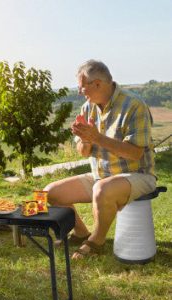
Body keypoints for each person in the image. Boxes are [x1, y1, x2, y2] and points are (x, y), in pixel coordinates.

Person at [44, 60, 156, 259]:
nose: (80, 92)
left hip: (137, 175)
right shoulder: (88, 108)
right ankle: (80, 232)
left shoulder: (134, 105)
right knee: (51, 192)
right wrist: (86, 141)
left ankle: (96, 241)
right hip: (100, 176)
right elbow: (83, 152)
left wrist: (97, 138)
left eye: (82, 86)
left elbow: (135, 153)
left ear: (97, 84)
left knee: (101, 188)